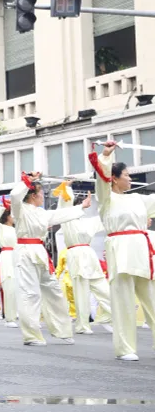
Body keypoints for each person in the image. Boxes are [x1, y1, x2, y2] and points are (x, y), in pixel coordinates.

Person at [91, 141, 155, 361]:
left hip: (141, 253)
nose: (130, 178)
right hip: (120, 251)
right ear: (115, 178)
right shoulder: (106, 199)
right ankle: (126, 348)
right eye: (126, 175)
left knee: (153, 299)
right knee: (123, 302)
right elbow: (101, 180)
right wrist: (106, 156)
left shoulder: (138, 199)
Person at [10, 172, 88, 346]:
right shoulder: (19, 210)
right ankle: (31, 335)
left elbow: (59, 215)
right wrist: (27, 180)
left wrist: (81, 207)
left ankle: (62, 331)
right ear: (33, 195)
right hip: (25, 251)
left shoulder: (41, 213)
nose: (42, 197)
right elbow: (15, 195)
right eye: (40, 193)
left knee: (53, 289)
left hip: (39, 251)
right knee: (30, 294)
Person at [57, 190, 113, 335]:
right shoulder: (67, 220)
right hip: (75, 255)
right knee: (81, 293)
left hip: (90, 255)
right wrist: (66, 189)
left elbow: (105, 216)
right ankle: (82, 325)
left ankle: (108, 315)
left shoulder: (89, 221)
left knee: (104, 289)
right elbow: (63, 207)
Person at [0, 203, 19, 328]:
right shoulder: (0, 227)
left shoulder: (18, 229)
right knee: (9, 285)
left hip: (18, 255)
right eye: (12, 215)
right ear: (8, 216)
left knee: (21, 286)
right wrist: (2, 207)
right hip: (6, 255)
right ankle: (9, 317)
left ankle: (22, 315)